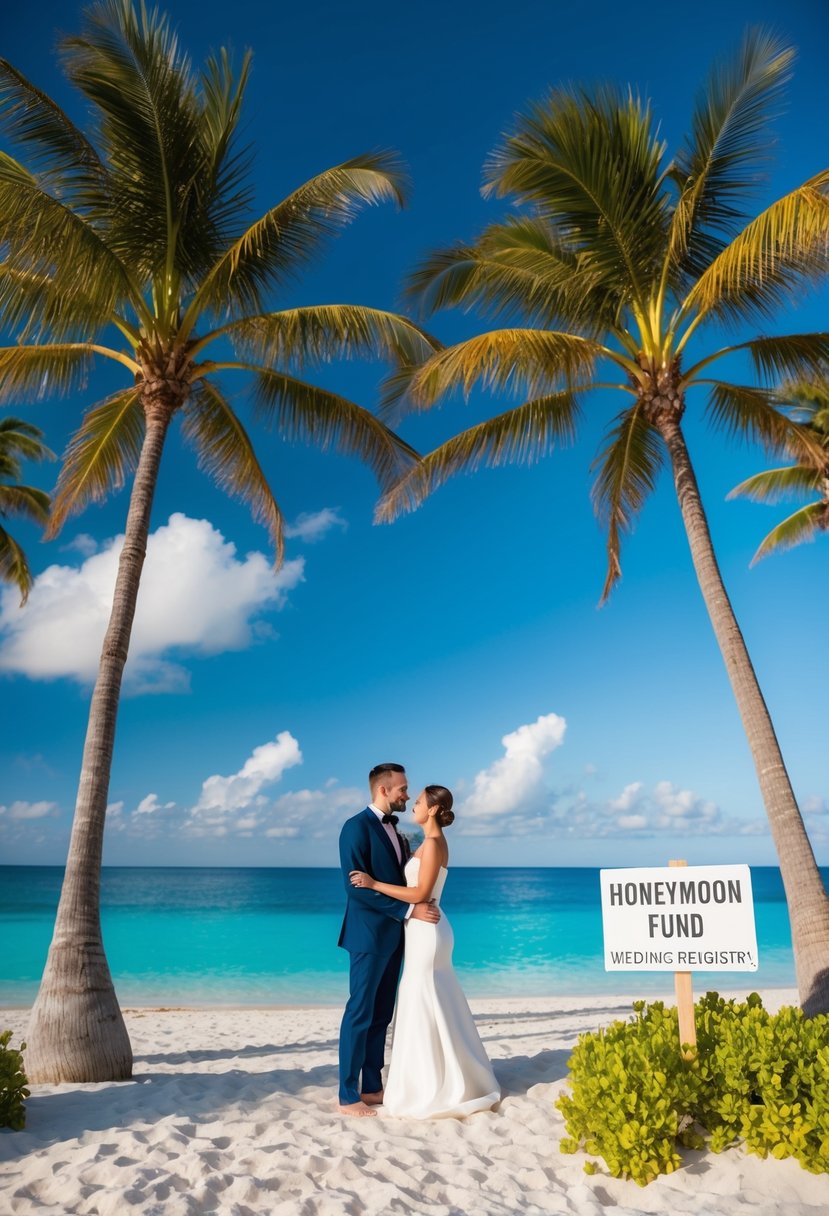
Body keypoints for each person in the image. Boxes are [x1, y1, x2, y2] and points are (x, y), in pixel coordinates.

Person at [350, 785, 500, 1119]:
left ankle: (431, 1085)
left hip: (426, 929)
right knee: (430, 1000)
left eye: (418, 801)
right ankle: (437, 1077)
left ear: (432, 810)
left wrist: (373, 884)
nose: (413, 805)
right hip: (424, 929)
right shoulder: (428, 844)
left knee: (422, 999)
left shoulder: (432, 844)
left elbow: (419, 892)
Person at [337, 763, 440, 1117]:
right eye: (403, 789)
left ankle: (372, 1086)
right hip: (367, 936)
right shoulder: (355, 828)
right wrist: (408, 913)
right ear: (384, 789)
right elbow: (356, 889)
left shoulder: (398, 832)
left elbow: (405, 881)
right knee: (359, 1013)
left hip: (396, 938)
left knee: (382, 1015)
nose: (407, 795)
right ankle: (347, 1095)